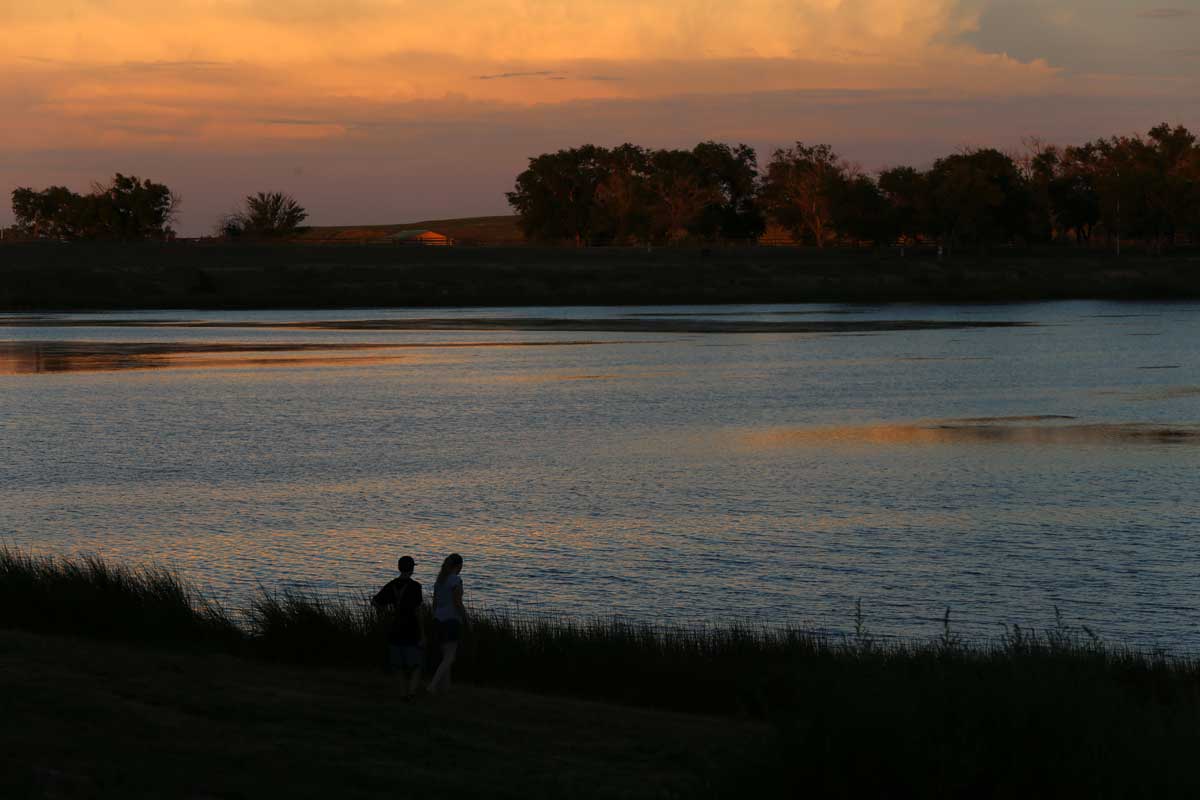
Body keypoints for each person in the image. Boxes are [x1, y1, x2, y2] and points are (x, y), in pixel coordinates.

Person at [371, 555, 424, 700]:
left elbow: (375, 602)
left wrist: (385, 613)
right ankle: (411, 693)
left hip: (395, 628)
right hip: (411, 629)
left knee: (398, 666)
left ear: (399, 568)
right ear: (412, 569)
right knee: (416, 665)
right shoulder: (416, 587)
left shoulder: (392, 585)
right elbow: (418, 612)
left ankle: (403, 694)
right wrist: (423, 634)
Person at [428, 553, 466, 694]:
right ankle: (432, 686)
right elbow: (457, 603)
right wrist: (465, 618)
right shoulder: (456, 580)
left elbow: (435, 603)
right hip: (451, 620)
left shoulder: (439, 581)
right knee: (450, 657)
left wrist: (434, 617)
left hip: (438, 619)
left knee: (446, 657)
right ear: (459, 566)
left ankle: (445, 688)